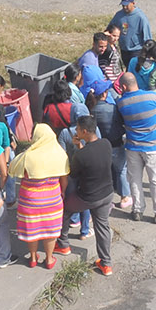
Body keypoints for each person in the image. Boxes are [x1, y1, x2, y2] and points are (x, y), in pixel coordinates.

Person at [56, 117, 116, 277]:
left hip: (88, 197)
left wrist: (78, 150)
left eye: (77, 129)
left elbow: (73, 174)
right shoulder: (106, 144)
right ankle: (106, 264)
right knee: (102, 226)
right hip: (107, 193)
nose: (75, 131)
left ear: (84, 131)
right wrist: (79, 146)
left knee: (65, 210)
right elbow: (94, 158)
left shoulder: (81, 156)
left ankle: (63, 244)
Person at [11, 125, 69, 269]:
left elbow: (13, 168)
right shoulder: (60, 154)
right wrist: (62, 193)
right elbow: (64, 180)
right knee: (51, 231)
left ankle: (32, 258)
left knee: (32, 229)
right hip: (52, 200)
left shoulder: (27, 156)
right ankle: (49, 259)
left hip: (29, 201)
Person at [116, 73, 156, 223]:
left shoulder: (121, 103)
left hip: (133, 146)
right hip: (153, 146)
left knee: (134, 179)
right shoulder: (152, 96)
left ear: (124, 87)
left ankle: (137, 210)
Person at [109, 0, 152, 67]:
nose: (125, 7)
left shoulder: (140, 17)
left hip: (136, 50)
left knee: (134, 71)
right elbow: (110, 28)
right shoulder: (119, 15)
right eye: (123, 5)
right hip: (124, 49)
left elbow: (147, 37)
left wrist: (147, 52)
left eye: (127, 5)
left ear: (133, 3)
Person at [76, 32, 113, 100]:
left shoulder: (94, 54)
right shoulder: (89, 60)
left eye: (105, 46)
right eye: (101, 46)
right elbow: (82, 81)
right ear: (94, 45)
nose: (103, 49)